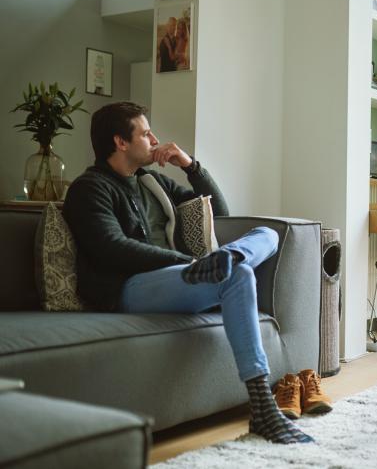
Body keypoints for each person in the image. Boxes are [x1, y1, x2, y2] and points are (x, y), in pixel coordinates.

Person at [62, 102, 320, 444]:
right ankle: (264, 410)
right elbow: (113, 247)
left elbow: (220, 214)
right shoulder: (90, 188)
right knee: (237, 273)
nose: (154, 138)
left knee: (267, 236)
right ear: (120, 142)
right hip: (130, 288)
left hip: (182, 276)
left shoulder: (151, 182)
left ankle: (227, 259)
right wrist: (187, 263)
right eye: (145, 133)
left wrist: (190, 166)